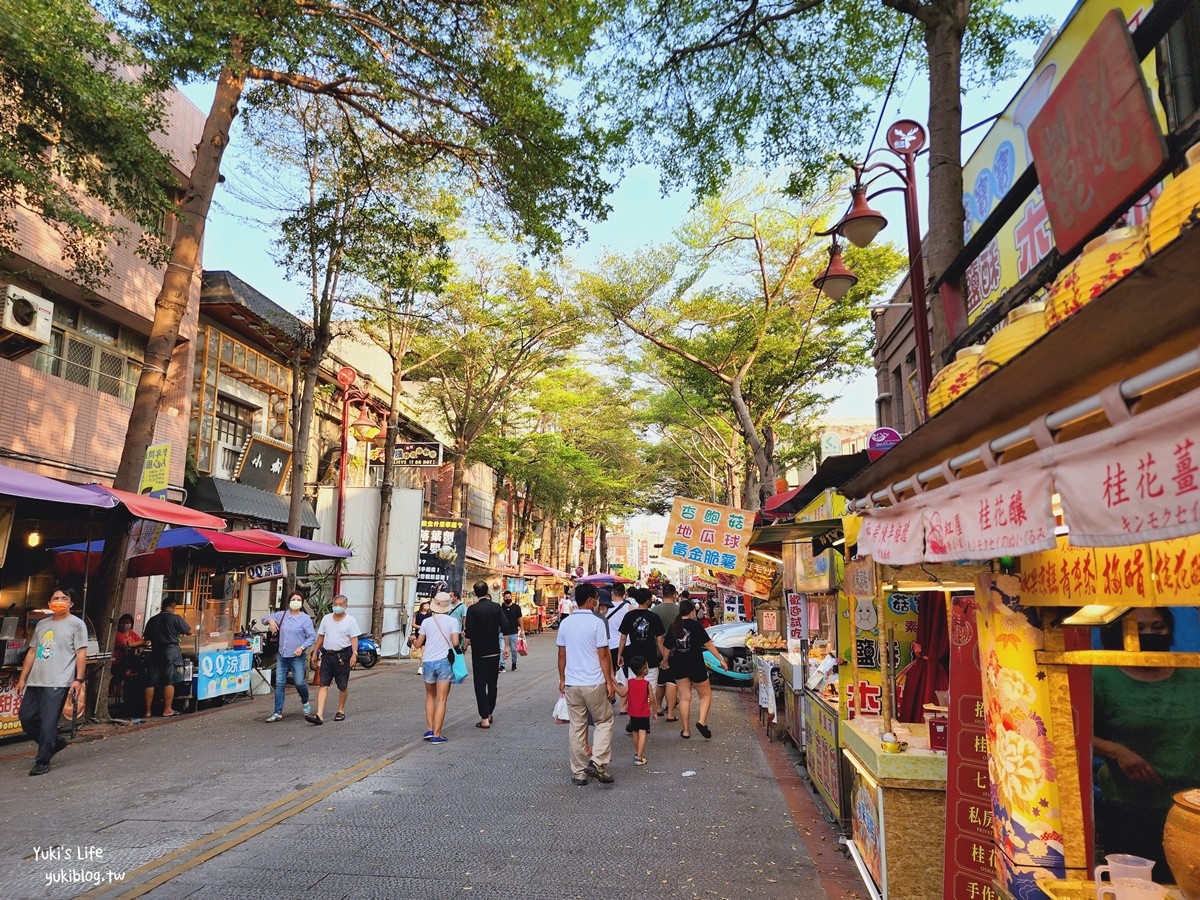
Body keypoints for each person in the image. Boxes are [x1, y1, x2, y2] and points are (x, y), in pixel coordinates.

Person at [1093, 607, 1200, 882]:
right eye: (1138, 629)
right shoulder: (1102, 676)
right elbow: (1074, 732)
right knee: (1138, 885)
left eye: (1158, 627)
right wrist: (1116, 752)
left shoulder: (1192, 670)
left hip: (1191, 810)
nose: (1150, 634)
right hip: (1131, 808)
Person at [16, 587, 88, 776]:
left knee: (48, 723)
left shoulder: (77, 624)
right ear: (49, 603)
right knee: (27, 717)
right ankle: (53, 743)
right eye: (55, 598)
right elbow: (32, 651)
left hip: (59, 680)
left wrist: (78, 679)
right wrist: (23, 678)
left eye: (64, 598)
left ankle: (42, 760)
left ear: (71, 603)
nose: (59, 601)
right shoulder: (42, 624)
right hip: (36, 680)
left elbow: (81, 653)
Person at [557, 582, 617, 786]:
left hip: (573, 683)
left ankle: (579, 772)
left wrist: (562, 679)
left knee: (577, 726)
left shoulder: (566, 623)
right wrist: (610, 681)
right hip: (594, 682)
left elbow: (561, 655)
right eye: (596, 598)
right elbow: (603, 656)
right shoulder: (597, 623)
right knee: (604, 721)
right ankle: (598, 760)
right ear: (591, 600)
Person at [662, 598, 725, 740]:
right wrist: (721, 660)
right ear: (692, 611)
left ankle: (685, 731)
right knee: (705, 695)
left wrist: (665, 661)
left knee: (684, 698)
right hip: (695, 663)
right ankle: (701, 722)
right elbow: (708, 645)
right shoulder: (696, 626)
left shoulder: (674, 626)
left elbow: (667, 648)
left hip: (678, 663)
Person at [411, 591, 461, 744]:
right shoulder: (453, 621)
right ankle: (437, 735)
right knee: (442, 699)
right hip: (444, 662)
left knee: (430, 696)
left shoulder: (426, 622)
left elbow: (418, 644)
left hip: (427, 662)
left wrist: (412, 639)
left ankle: (430, 728)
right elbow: (456, 643)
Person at [262, 593, 316, 723]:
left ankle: (305, 702)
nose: (295, 602)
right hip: (282, 655)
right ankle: (277, 712)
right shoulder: (282, 615)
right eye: (293, 599)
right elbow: (264, 619)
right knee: (280, 684)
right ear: (289, 601)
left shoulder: (305, 619)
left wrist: (302, 647)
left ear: (302, 603)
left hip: (297, 656)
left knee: (299, 682)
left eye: (298, 600)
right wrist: (270, 620)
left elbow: (312, 637)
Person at [307, 595, 359, 725]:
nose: (338, 606)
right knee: (323, 684)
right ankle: (319, 715)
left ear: (346, 606)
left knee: (342, 685)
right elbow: (321, 636)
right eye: (336, 604)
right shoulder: (326, 619)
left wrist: (354, 654)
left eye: (341, 604)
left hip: (343, 656)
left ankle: (340, 710)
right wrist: (315, 652)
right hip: (327, 656)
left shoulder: (350, 620)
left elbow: (354, 638)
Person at [464, 581, 506, 729]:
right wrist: (506, 646)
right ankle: (489, 712)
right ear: (487, 591)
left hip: (479, 653)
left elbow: (468, 632)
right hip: (494, 651)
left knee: (480, 685)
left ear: (475, 593)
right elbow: (505, 626)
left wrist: (464, 647)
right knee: (492, 684)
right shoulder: (496, 607)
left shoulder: (472, 609)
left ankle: (484, 717)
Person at [143, 597, 193, 718]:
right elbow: (189, 632)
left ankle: (148, 711)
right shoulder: (176, 618)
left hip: (155, 650)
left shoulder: (152, 620)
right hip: (171, 650)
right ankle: (167, 709)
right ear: (173, 607)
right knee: (169, 680)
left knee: (151, 681)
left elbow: (147, 638)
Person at [618, 587, 666, 711]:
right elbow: (660, 640)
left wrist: (620, 654)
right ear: (649, 600)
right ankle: (645, 717)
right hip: (651, 659)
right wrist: (665, 658)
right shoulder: (654, 617)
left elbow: (623, 637)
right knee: (651, 691)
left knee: (633, 689)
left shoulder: (629, 616)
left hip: (633, 658)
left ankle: (634, 717)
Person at [652, 583, 680, 720]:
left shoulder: (655, 610)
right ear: (674, 594)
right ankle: (670, 712)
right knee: (672, 681)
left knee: (660, 680)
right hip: (675, 650)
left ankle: (658, 707)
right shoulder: (679, 610)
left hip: (657, 650)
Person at [624, 655, 656, 766]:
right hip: (643, 713)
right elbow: (652, 699)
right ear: (645, 670)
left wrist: (614, 685)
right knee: (643, 733)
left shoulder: (630, 682)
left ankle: (637, 752)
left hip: (633, 713)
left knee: (635, 732)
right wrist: (655, 711)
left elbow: (623, 694)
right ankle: (639, 757)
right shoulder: (647, 684)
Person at [111, 613, 144, 700]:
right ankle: (111, 686)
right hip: (117, 662)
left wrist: (140, 643)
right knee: (121, 674)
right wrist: (139, 643)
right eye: (123, 622)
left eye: (127, 622)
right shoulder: (117, 634)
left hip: (128, 661)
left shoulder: (132, 634)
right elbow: (125, 644)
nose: (125, 625)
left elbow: (143, 642)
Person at [500, 591, 522, 671]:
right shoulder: (501, 607)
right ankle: (502, 665)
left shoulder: (516, 607)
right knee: (502, 649)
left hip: (513, 631)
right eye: (506, 597)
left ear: (511, 597)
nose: (507, 599)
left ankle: (514, 662)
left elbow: (520, 618)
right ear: (503, 598)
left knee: (513, 649)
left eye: (509, 597)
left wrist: (522, 630)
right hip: (502, 631)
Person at [411, 600, 432, 675]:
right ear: (422, 605)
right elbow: (413, 624)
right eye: (425, 604)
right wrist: (420, 627)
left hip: (427, 634)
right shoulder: (417, 614)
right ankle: (423, 665)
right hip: (418, 633)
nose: (427, 605)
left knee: (423, 651)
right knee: (419, 651)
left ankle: (421, 667)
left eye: (428, 604)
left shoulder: (430, 615)